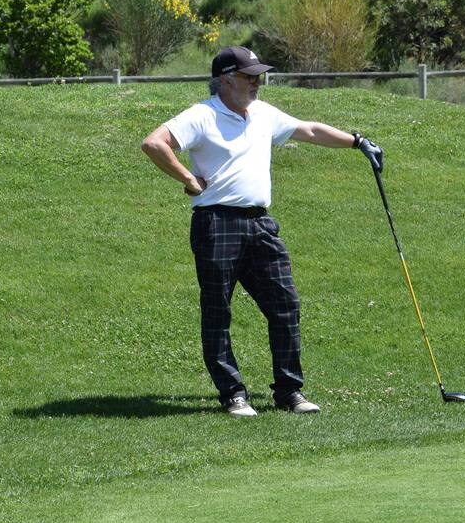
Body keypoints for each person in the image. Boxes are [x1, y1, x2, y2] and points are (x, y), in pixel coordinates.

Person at [140, 46, 384, 417]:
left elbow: (310, 130)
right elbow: (154, 143)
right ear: (225, 79)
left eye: (258, 75)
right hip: (216, 223)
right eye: (249, 76)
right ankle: (233, 394)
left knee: (285, 305)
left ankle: (289, 391)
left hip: (260, 224)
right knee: (217, 311)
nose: (257, 82)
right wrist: (189, 179)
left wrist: (357, 141)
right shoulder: (202, 115)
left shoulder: (263, 114)